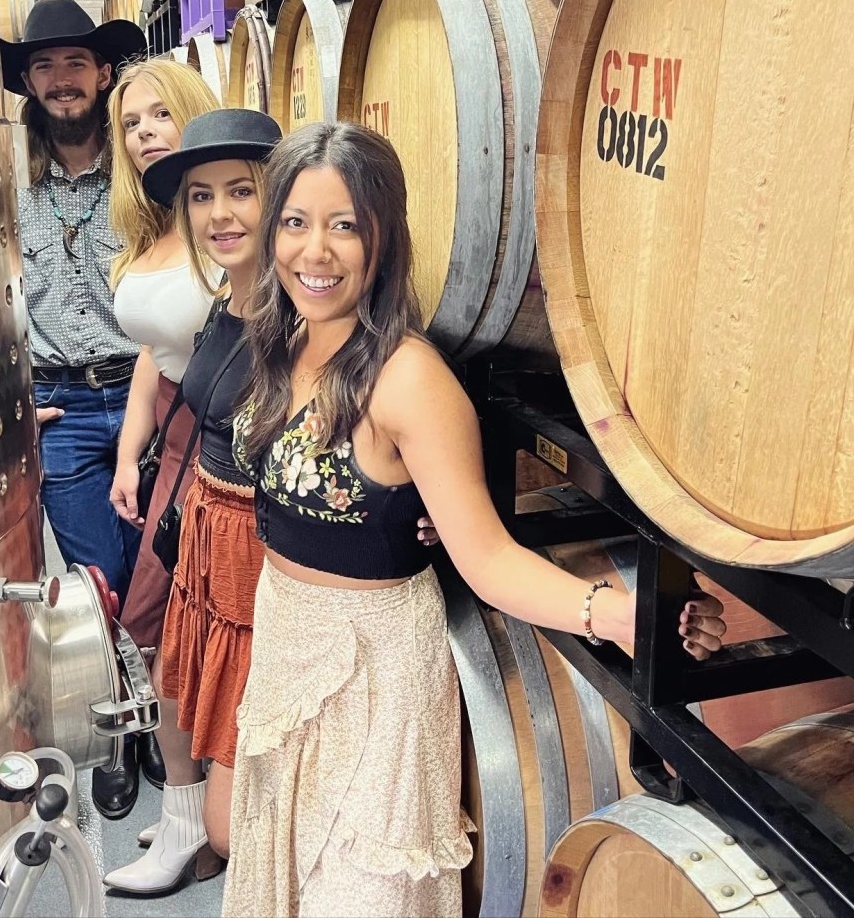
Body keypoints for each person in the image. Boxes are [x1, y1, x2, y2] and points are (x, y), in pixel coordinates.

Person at [224, 122, 728, 917]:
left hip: (377, 674)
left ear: (383, 239)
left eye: (344, 225)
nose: (314, 252)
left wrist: (620, 616)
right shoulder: (287, 341)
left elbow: (488, 557)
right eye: (295, 222)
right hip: (288, 639)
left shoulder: (409, 381)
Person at [102, 111, 448, 895]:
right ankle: (190, 824)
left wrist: (415, 510)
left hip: (270, 559)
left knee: (254, 799)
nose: (221, 214)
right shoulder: (236, 303)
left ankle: (214, 833)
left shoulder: (310, 316)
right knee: (182, 685)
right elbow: (172, 373)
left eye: (242, 192)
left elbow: (377, 431)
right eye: (201, 197)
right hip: (211, 526)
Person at [0, 0, 150, 819]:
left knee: (158, 570)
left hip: (142, 393)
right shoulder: (7, 184)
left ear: (102, 73)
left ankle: (162, 715)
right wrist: (13, 398)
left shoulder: (142, 175)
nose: (62, 80)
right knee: (98, 582)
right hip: (60, 405)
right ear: (29, 82)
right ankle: (121, 728)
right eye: (45, 66)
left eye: (75, 64)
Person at [99, 57, 220, 818]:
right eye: (131, 124)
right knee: (151, 621)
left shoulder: (225, 219)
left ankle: (201, 807)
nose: (145, 132)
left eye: (160, 114)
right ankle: (185, 804)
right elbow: (153, 352)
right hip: (173, 437)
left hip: (224, 432)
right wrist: (127, 457)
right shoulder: (152, 229)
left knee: (195, 621)